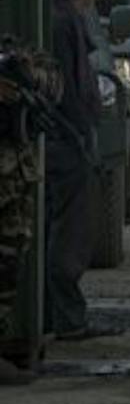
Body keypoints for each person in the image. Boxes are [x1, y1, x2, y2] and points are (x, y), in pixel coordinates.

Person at [44, 0, 113, 342]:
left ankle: (53, 317)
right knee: (70, 235)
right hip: (67, 140)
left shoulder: (54, 15)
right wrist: (81, 135)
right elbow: (73, 88)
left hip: (57, 137)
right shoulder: (68, 21)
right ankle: (69, 319)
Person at [0, 26, 62, 382]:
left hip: (12, 176)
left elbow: (52, 85)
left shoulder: (15, 51)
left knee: (8, 260)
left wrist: (22, 78)